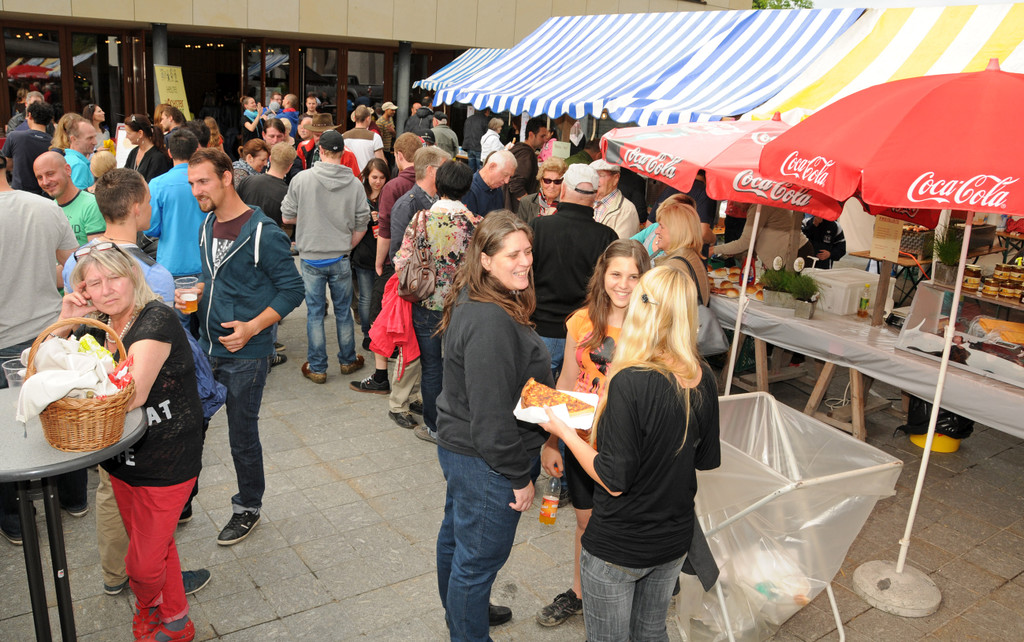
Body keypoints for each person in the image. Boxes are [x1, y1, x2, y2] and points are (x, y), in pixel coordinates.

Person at [539, 265, 721, 642]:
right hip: (673, 538)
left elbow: (614, 479)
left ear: (643, 307)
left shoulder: (631, 380)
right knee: (651, 632)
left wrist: (563, 431)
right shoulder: (702, 376)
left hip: (620, 545)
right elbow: (705, 459)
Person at [58, 245, 204, 642]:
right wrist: (66, 320)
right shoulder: (97, 326)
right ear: (83, 290)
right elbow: (38, 367)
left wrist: (75, 388)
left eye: (114, 278)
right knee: (157, 546)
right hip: (121, 457)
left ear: (133, 276)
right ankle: (177, 622)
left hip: (168, 456)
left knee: (142, 563)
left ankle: (145, 606)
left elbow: (132, 394)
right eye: (94, 283)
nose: (106, 290)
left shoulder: (156, 318)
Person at [434, 211, 551, 639]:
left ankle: (464, 614)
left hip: (464, 448)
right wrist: (519, 477)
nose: (525, 262)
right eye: (513, 255)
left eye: (528, 252)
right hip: (487, 461)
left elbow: (494, 388)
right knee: (477, 562)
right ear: (485, 260)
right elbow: (491, 418)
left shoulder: (481, 297)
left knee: (458, 541)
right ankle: (467, 627)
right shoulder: (490, 320)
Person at [185, 148, 304, 545]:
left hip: (246, 356)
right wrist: (198, 291)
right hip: (206, 348)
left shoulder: (263, 232)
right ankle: (182, 498)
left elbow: (293, 289)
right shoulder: (206, 224)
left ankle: (247, 507)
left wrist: (253, 327)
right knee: (191, 428)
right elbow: (215, 277)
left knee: (241, 436)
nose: (196, 190)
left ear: (226, 178)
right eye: (192, 183)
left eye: (203, 181)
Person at [536, 239, 651, 627]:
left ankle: (633, 596)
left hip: (631, 446)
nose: (624, 284)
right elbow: (567, 382)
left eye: (634, 276)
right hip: (582, 441)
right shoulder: (581, 321)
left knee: (626, 526)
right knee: (585, 522)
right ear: (602, 275)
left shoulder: (653, 327)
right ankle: (579, 593)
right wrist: (553, 441)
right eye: (616, 274)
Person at [0, 155, 79, 545]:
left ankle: (15, 518)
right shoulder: (45, 208)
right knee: (63, 410)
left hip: (5, 342)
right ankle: (74, 496)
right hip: (50, 332)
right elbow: (74, 266)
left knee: (6, 432)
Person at [393, 161, 477, 445]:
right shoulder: (475, 224)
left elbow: (401, 261)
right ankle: (462, 424)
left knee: (431, 367)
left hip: (427, 303)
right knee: (462, 365)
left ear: (439, 185)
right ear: (466, 189)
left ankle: (435, 428)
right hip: (465, 305)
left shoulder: (421, 220)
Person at [281, 130, 370, 384]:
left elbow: (287, 216)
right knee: (343, 311)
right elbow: (362, 221)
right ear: (343, 153)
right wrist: (348, 246)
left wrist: (310, 215)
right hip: (340, 256)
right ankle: (348, 360)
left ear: (320, 151)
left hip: (311, 257)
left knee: (315, 313)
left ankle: (318, 367)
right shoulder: (354, 183)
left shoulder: (302, 179)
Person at [531, 163, 618, 378]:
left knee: (537, 394)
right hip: (587, 333)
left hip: (543, 328)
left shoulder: (538, 227)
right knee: (577, 394)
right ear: (595, 196)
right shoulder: (607, 236)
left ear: (563, 190)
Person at [144, 130, 206, 288]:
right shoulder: (208, 182)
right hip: (205, 260)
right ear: (196, 151)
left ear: (170, 153)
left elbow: (150, 227)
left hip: (171, 262)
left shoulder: (157, 184)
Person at [34, 150, 106, 246]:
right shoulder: (50, 209)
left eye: (50, 174)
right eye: (40, 177)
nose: (45, 182)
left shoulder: (92, 205)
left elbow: (97, 251)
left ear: (67, 170)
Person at [711, 204, 811, 272]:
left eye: (736, 201)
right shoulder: (760, 205)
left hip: (794, 254)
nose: (735, 205)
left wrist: (713, 250)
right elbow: (765, 232)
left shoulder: (759, 206)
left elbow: (745, 242)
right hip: (789, 254)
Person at [352, 158, 390, 341]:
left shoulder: (389, 194)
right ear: (366, 176)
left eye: (382, 177)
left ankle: (381, 333)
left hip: (385, 255)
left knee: (382, 297)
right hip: (364, 255)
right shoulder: (359, 194)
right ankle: (368, 334)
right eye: (374, 177)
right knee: (366, 297)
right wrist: (367, 218)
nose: (378, 181)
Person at [237, 141, 296, 228]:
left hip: (242, 232)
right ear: (290, 166)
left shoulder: (247, 181)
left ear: (270, 159)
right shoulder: (287, 194)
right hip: (269, 235)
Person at [1, 100, 54, 195]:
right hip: (45, 195)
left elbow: (7, 165)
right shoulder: (54, 144)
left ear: (29, 115)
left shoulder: (14, 137)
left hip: (20, 193)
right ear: (49, 120)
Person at [591, 159, 640, 239]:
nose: (595, 180)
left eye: (600, 175)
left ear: (616, 178)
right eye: (593, 175)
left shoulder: (626, 210)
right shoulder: (586, 202)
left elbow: (621, 245)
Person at [508, 116, 549, 211]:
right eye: (542, 136)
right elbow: (516, 185)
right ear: (531, 135)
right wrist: (531, 207)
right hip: (517, 210)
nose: (545, 140)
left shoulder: (520, 148)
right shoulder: (525, 154)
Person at [463, 148, 516, 218]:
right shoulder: (469, 190)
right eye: (505, 175)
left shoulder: (497, 189)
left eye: (510, 177)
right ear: (492, 167)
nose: (507, 181)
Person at [517, 157, 566, 225]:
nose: (552, 186)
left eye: (557, 181)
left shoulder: (568, 205)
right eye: (547, 181)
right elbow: (521, 228)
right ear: (541, 181)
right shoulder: (527, 202)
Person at [124, 114, 173, 182]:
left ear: (140, 133)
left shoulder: (158, 157)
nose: (126, 136)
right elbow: (124, 176)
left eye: (128, 133)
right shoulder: (133, 152)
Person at [344, 105, 385, 172]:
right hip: (368, 175)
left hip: (349, 175)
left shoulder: (344, 136)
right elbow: (381, 162)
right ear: (368, 118)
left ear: (354, 118)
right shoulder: (375, 137)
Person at [65, 118, 99, 190]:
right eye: (90, 138)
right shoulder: (79, 165)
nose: (95, 142)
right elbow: (79, 196)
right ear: (73, 139)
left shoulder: (67, 159)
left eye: (94, 137)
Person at [462, 107, 490, 172]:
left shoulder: (469, 119)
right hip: (479, 148)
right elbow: (487, 135)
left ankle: (471, 179)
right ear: (487, 111)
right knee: (480, 171)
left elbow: (464, 132)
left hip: (469, 147)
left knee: (471, 170)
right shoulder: (485, 120)